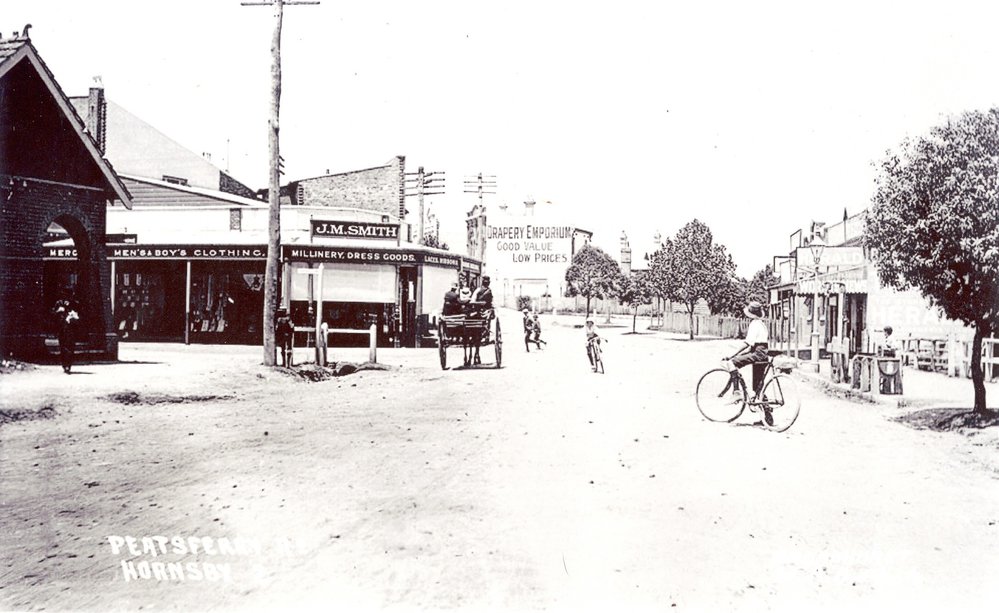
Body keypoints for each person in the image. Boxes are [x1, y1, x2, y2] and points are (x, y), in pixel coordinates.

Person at [723, 301, 771, 421]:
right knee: (757, 386)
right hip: (762, 354)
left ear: (751, 314)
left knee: (731, 363)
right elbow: (753, 346)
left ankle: (736, 392)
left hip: (757, 354)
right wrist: (740, 355)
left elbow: (747, 343)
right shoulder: (761, 324)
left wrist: (731, 355)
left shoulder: (754, 324)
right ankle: (768, 418)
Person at [52, 298, 79, 374]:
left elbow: (79, 315)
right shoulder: (59, 303)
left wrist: (74, 317)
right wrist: (58, 311)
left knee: (70, 347)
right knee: (63, 347)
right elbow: (53, 315)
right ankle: (65, 365)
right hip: (62, 329)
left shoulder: (74, 303)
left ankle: (68, 365)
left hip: (71, 330)